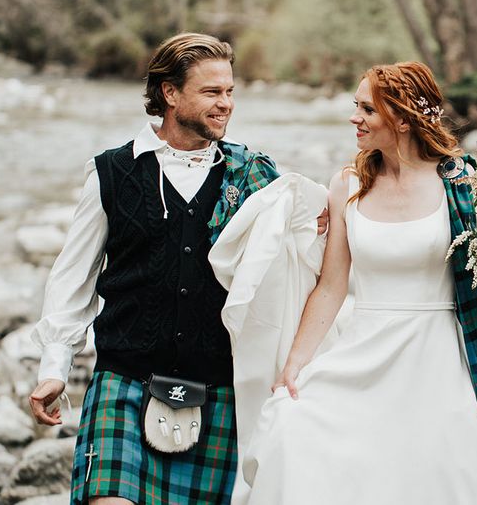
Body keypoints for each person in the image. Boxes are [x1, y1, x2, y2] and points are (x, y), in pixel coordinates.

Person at [28, 33, 323, 505]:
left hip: (218, 390)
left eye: (229, 92)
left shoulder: (253, 176)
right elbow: (72, 278)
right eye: (211, 92)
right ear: (169, 93)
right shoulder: (111, 173)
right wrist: (54, 368)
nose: (225, 104)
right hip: (124, 382)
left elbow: (300, 257)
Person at [242, 62, 477, 505]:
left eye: (366, 109)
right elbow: (331, 286)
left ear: (401, 118)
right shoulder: (347, 186)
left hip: (440, 361)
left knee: (447, 477)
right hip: (365, 351)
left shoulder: (463, 183)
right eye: (354, 107)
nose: (354, 118)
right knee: (295, 428)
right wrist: (295, 364)